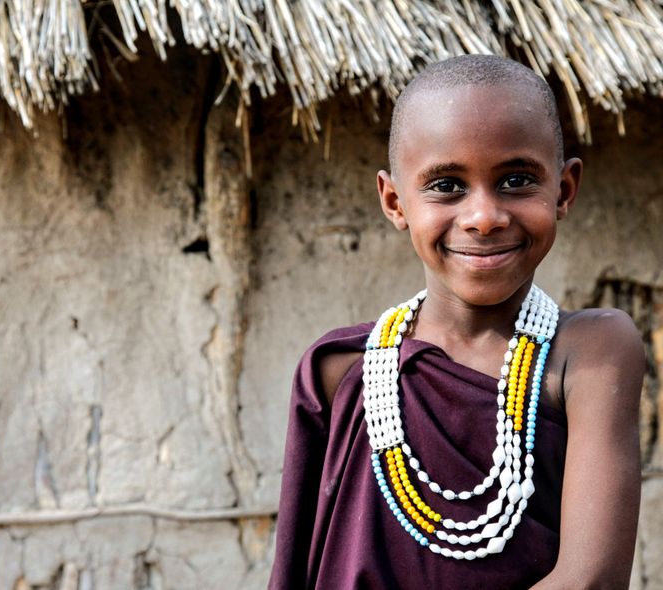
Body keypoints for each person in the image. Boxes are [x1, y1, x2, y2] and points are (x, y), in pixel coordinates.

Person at [268, 54, 644, 589]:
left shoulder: (590, 351)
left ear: (563, 191)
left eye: (516, 180)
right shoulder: (341, 370)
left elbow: (591, 580)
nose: (484, 217)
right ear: (395, 201)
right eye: (446, 186)